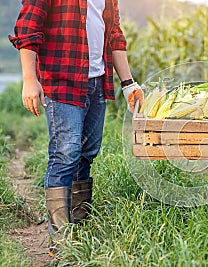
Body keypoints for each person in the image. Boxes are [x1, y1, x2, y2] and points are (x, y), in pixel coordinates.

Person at [9, 0, 143, 256]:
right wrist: (29, 80)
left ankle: (79, 227)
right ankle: (60, 242)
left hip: (97, 82)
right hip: (62, 82)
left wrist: (128, 84)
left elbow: (114, 35)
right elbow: (27, 29)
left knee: (88, 152)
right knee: (66, 153)